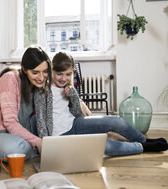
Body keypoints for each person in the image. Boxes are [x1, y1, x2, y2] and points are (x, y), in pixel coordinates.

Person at [34, 51, 168, 156]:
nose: (64, 78)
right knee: (105, 146)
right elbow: (40, 119)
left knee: (115, 121)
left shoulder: (69, 89)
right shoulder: (43, 91)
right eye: (59, 74)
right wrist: (47, 145)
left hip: (75, 124)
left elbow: (76, 113)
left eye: (68, 74)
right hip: (60, 137)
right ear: (52, 71)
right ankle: (143, 147)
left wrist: (73, 96)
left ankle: (143, 140)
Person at [0, 45, 51, 160]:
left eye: (45, 72)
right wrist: (38, 142)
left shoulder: (37, 86)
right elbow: (10, 123)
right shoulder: (9, 79)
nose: (41, 78)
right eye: (35, 72)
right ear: (24, 69)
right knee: (16, 149)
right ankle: (33, 148)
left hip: (22, 134)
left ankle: (32, 147)